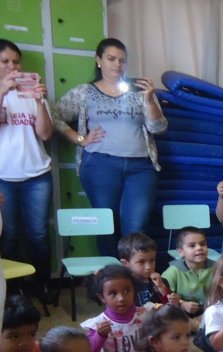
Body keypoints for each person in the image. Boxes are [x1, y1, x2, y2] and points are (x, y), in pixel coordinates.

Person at [52, 38, 166, 257]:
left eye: (122, 60)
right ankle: (110, 282)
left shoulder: (139, 92)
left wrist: (150, 100)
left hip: (140, 167)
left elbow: (158, 127)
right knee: (106, 226)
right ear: (99, 60)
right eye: (111, 59)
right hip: (100, 166)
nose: (117, 65)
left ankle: (135, 281)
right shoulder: (85, 92)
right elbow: (55, 116)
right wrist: (79, 138)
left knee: (136, 228)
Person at [0, 39, 54, 298]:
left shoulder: (30, 94)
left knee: (39, 235)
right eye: (5, 61)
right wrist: (1, 91)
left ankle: (41, 286)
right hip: (3, 177)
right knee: (9, 235)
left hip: (37, 175)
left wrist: (41, 100)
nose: (12, 66)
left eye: (16, 61)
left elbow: (45, 134)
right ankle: (12, 290)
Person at [81, 265, 148, 352]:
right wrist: (100, 335)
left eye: (126, 291)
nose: (121, 298)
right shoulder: (98, 324)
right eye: (113, 293)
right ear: (102, 297)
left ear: (134, 291)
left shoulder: (144, 315)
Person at [161, 226, 215, 328]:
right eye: (192, 246)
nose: (199, 248)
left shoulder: (216, 267)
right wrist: (182, 304)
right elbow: (164, 297)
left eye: (202, 244)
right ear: (181, 251)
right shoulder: (173, 271)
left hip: (209, 312)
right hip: (182, 313)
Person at [118, 232, 171, 308]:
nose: (148, 267)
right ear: (125, 263)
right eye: (141, 262)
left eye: (152, 260)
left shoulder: (161, 282)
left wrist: (161, 287)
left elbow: (170, 306)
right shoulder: (123, 285)